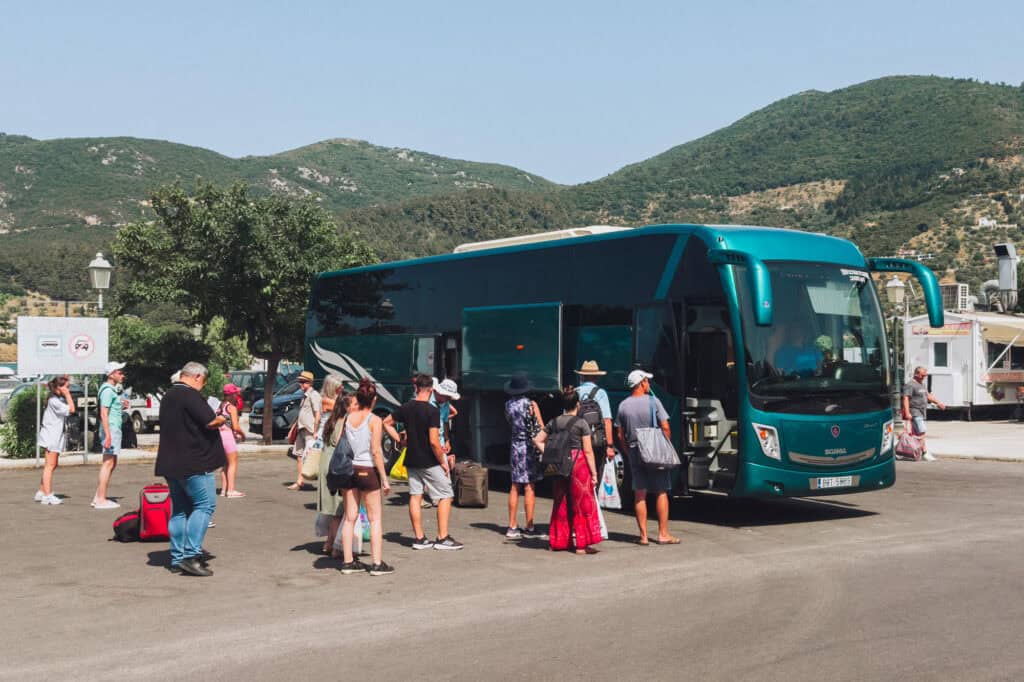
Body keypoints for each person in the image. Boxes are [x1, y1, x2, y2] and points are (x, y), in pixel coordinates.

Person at [155, 362, 226, 577]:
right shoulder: (190, 395)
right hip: (195, 461)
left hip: (171, 462)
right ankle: (191, 555)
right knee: (204, 506)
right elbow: (210, 421)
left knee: (180, 509)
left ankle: (177, 557)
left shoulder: (169, 395)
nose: (202, 386)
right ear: (196, 377)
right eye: (203, 382)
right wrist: (224, 418)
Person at [383, 373, 463, 550]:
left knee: (415, 495)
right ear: (431, 389)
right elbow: (434, 441)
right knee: (446, 494)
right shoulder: (432, 411)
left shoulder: (406, 407)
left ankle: (419, 538)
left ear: (416, 388)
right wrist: (442, 461)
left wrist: (399, 440)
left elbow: (386, 422)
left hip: (411, 458)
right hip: (429, 459)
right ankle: (442, 537)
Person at [327, 378, 394, 576]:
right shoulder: (374, 420)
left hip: (349, 469)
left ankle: (348, 562)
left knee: (349, 517)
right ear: (373, 400)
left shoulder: (348, 418)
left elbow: (340, 443)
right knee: (375, 519)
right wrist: (384, 478)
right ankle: (376, 563)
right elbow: (376, 451)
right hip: (368, 470)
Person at [532, 386, 601, 555]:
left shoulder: (553, 422)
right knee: (581, 504)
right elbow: (588, 451)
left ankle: (559, 541)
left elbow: (537, 439)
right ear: (577, 404)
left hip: (558, 463)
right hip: (578, 463)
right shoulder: (581, 423)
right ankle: (581, 545)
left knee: (560, 502)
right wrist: (594, 473)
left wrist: (548, 452)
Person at [615, 369, 680, 546]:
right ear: (641, 383)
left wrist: (628, 451)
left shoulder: (623, 405)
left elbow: (620, 434)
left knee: (640, 493)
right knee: (661, 491)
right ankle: (663, 533)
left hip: (635, 450)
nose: (649, 384)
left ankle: (643, 536)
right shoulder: (654, 402)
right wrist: (663, 444)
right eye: (647, 381)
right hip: (654, 450)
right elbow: (665, 427)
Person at [503, 373, 544, 540]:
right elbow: (540, 426)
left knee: (514, 486)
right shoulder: (531, 404)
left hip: (515, 446)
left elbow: (509, 422)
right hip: (529, 446)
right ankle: (529, 526)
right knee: (529, 486)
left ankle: (512, 525)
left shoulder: (508, 405)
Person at [319, 392, 355, 556]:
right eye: (354, 404)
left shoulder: (331, 419)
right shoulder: (344, 421)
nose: (357, 407)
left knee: (334, 509)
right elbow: (344, 445)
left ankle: (329, 543)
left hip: (327, 463)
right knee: (339, 511)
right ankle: (334, 545)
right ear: (347, 407)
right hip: (337, 465)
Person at [34, 376, 75, 505]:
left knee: (52, 464)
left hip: (54, 435)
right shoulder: (54, 401)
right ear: (59, 388)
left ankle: (41, 491)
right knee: (50, 466)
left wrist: (65, 379)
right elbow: (72, 409)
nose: (68, 389)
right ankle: (47, 495)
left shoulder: (55, 398)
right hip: (52, 436)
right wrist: (68, 395)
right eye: (66, 387)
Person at [92, 361, 127, 509]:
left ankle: (98, 495)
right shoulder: (107, 390)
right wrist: (108, 435)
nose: (122, 375)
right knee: (108, 463)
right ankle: (100, 499)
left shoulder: (112, 390)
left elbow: (111, 408)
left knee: (112, 463)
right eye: (119, 372)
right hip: (110, 429)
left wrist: (121, 404)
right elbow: (103, 413)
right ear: (111, 374)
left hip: (113, 428)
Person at [574, 360, 616, 467]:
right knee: (596, 473)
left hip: (578, 441)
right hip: (596, 441)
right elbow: (607, 420)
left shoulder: (574, 392)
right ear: (596, 377)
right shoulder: (601, 393)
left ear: (582, 376)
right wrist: (610, 446)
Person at [902, 366, 946, 461]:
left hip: (922, 412)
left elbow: (928, 396)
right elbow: (906, 398)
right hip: (915, 411)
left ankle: (916, 451)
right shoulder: (910, 385)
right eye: (922, 375)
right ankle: (925, 453)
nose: (924, 377)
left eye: (925, 375)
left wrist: (938, 403)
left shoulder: (922, 384)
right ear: (916, 374)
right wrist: (907, 413)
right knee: (922, 431)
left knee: (918, 433)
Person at [288, 370, 322, 491]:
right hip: (301, 429)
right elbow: (302, 413)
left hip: (310, 430)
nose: (301, 384)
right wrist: (294, 427)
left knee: (312, 456)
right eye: (300, 382)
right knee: (299, 455)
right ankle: (300, 481)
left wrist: (315, 431)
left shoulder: (314, 395)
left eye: (303, 382)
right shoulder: (305, 395)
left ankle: (321, 482)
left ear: (310, 383)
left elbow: (317, 414)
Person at [217, 383, 247, 497]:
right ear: (232, 394)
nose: (237, 395)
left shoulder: (221, 405)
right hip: (228, 436)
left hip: (219, 436)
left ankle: (224, 490)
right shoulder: (232, 407)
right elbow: (235, 426)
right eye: (236, 393)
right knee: (233, 463)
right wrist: (243, 435)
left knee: (225, 464)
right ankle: (231, 490)